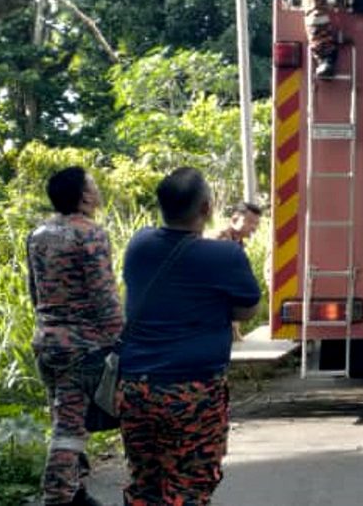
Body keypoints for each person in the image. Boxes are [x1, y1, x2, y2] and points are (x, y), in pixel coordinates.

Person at [118, 168, 261, 505]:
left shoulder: (138, 244)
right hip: (192, 390)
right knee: (189, 485)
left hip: (135, 386)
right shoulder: (226, 255)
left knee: (145, 482)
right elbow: (246, 310)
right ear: (207, 207)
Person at [27, 166, 122, 506]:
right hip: (80, 348)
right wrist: (120, 339)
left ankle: (77, 492)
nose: (97, 190)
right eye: (93, 185)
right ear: (84, 196)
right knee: (69, 431)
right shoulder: (90, 234)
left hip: (46, 343)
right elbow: (103, 294)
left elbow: (34, 291)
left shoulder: (38, 234)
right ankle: (58, 497)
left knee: (64, 417)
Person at [211, 200, 263, 341]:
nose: (254, 227)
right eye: (250, 222)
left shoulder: (237, 241)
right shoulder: (220, 239)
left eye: (257, 224)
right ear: (234, 219)